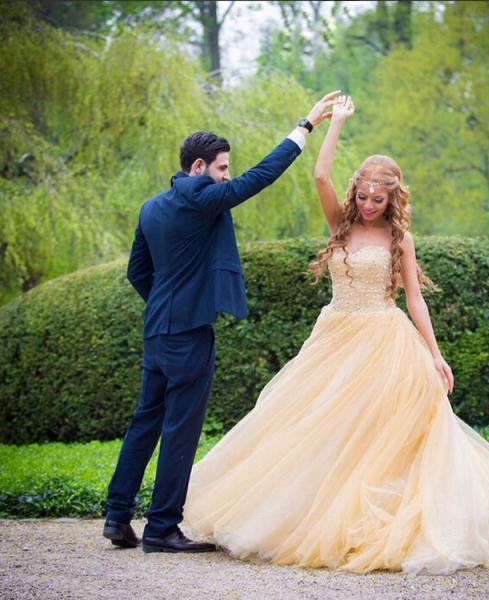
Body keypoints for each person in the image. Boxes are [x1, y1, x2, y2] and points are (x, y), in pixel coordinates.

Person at [182, 95, 489, 574]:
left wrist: (436, 355)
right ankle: (310, 515)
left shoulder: (400, 240)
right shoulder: (340, 223)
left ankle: (381, 520)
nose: (369, 206)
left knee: (385, 435)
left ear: (393, 199)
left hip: (384, 340)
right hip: (335, 336)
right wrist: (334, 124)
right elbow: (319, 176)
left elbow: (414, 299)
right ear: (354, 193)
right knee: (318, 428)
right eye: (363, 197)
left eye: (379, 200)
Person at [103, 90, 342, 554]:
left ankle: (116, 516)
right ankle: (161, 529)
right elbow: (263, 176)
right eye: (222, 168)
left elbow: (138, 272)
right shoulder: (203, 199)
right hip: (189, 335)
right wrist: (305, 125)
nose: (228, 176)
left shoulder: (152, 207)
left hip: (157, 331)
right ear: (199, 168)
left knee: (144, 423)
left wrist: (164, 308)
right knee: (179, 429)